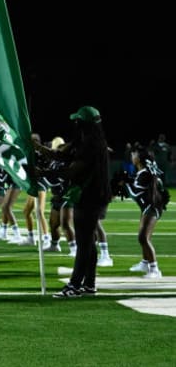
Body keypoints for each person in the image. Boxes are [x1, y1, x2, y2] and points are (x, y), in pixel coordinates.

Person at [45, 106, 111, 298]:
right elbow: (61, 155)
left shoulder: (91, 146)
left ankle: (74, 286)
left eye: (78, 121)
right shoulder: (88, 142)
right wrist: (37, 148)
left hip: (90, 198)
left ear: (85, 124)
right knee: (88, 242)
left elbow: (71, 171)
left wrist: (43, 174)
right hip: (91, 196)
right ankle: (89, 284)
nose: (75, 124)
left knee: (84, 242)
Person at [119, 146, 169, 278]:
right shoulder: (144, 172)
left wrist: (125, 184)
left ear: (139, 158)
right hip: (148, 207)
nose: (132, 156)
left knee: (143, 238)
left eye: (134, 154)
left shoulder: (145, 173)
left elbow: (135, 194)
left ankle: (155, 269)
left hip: (151, 208)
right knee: (144, 237)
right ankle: (145, 262)